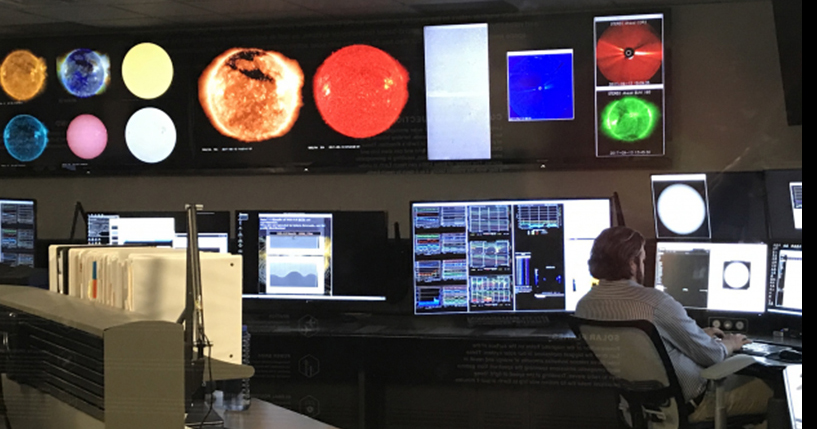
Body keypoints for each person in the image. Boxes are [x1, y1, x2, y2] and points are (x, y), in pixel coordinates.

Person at [575, 226, 773, 425]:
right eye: (642, 260)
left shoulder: (584, 307)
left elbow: (641, 350)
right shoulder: (655, 302)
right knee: (778, 394)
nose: (643, 265)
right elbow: (711, 356)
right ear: (632, 263)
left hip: (638, 409)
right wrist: (730, 343)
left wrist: (698, 335)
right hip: (693, 404)